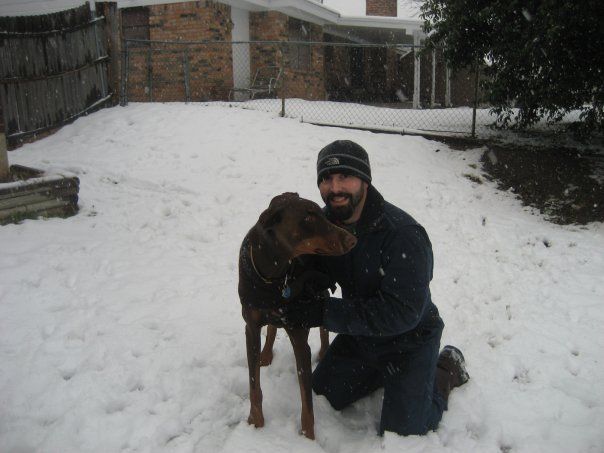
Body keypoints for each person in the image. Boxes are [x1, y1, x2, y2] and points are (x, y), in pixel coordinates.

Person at [281, 140, 469, 436]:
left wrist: (322, 311)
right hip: (362, 337)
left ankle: (444, 370)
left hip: (411, 339)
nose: (335, 188)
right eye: (327, 179)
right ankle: (382, 376)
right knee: (322, 394)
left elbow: (401, 312)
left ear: (364, 181)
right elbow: (306, 267)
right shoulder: (324, 226)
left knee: (405, 430)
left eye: (345, 177)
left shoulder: (403, 235)